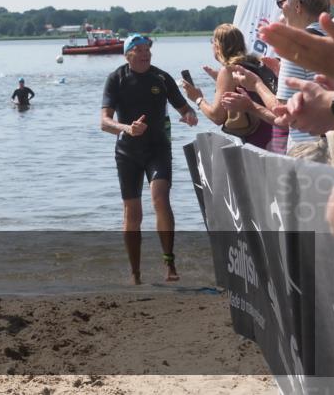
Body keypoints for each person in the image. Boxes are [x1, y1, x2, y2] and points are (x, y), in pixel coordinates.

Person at [100, 34, 198, 284]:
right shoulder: (116, 79)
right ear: (127, 54)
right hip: (127, 152)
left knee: (160, 199)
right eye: (139, 49)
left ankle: (169, 263)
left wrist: (189, 116)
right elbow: (104, 122)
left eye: (148, 49)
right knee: (133, 213)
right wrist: (126, 128)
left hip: (158, 149)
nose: (145, 53)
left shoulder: (162, 78)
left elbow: (184, 108)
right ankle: (135, 273)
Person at [181, 24, 275, 149]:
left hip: (253, 140)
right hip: (272, 133)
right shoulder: (255, 63)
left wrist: (197, 99)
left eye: (212, 41)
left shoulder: (228, 71)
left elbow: (217, 117)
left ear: (218, 46)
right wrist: (219, 81)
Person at [269, 0, 331, 153]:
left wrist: (255, 84)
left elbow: (282, 112)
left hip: (309, 151)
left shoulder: (296, 47)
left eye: (281, 3)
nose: (280, 11)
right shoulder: (330, 37)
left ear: (297, 5)